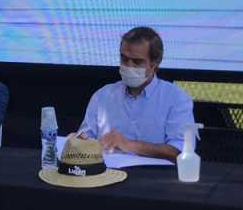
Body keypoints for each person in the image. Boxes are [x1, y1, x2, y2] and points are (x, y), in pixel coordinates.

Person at [77, 27, 194, 161]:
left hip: (153, 178)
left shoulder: (176, 98)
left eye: (137, 62)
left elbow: (179, 150)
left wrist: (128, 145)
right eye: (124, 59)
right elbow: (85, 139)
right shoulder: (103, 95)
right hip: (106, 175)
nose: (128, 66)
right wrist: (77, 141)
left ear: (155, 63)